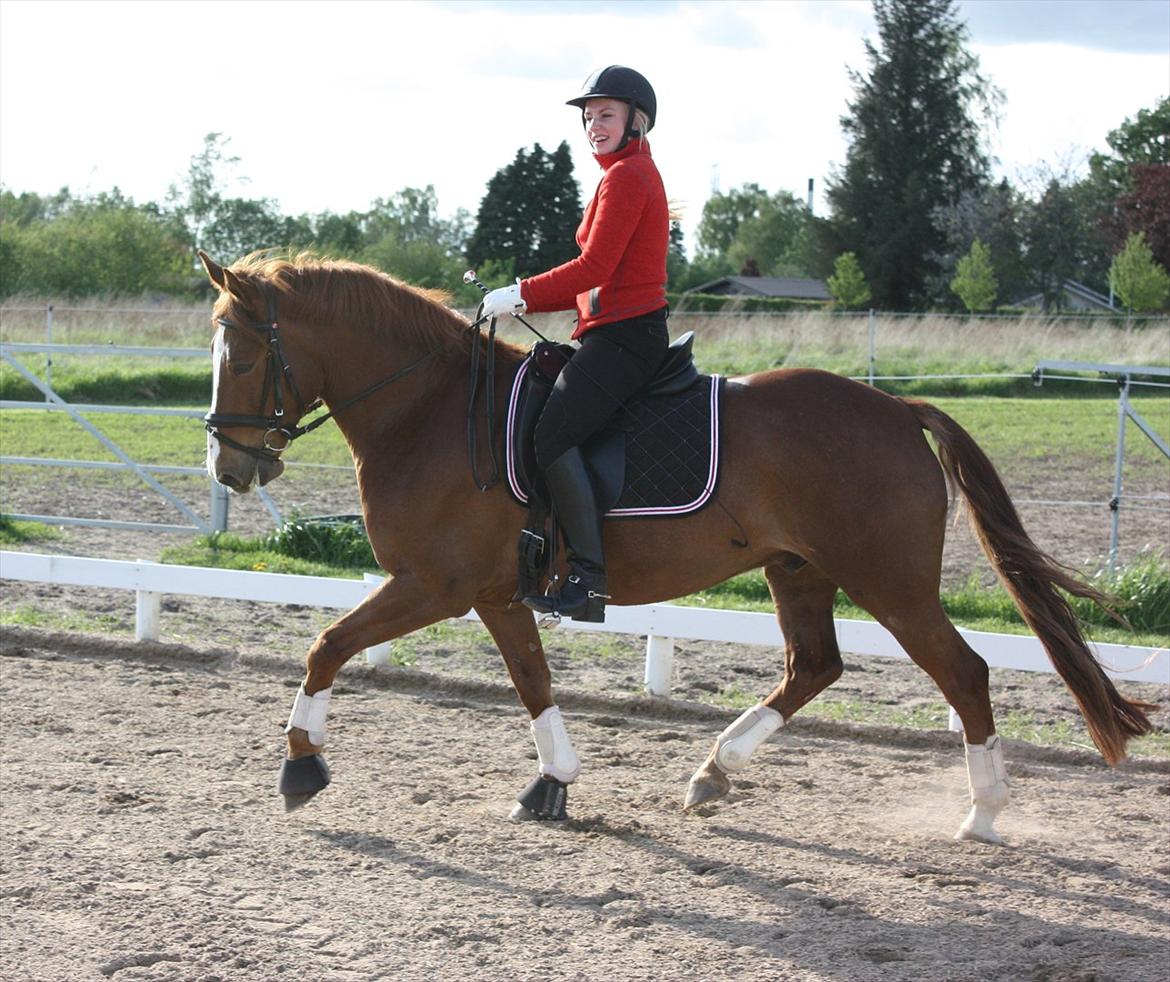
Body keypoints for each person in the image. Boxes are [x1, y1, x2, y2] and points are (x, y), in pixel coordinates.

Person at [480, 65, 670, 624]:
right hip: (607, 333)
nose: (593, 125)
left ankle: (588, 578)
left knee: (552, 432)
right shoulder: (621, 175)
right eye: (588, 118)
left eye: (605, 115)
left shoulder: (629, 176)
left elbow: (595, 267)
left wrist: (518, 294)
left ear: (638, 120)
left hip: (625, 337)